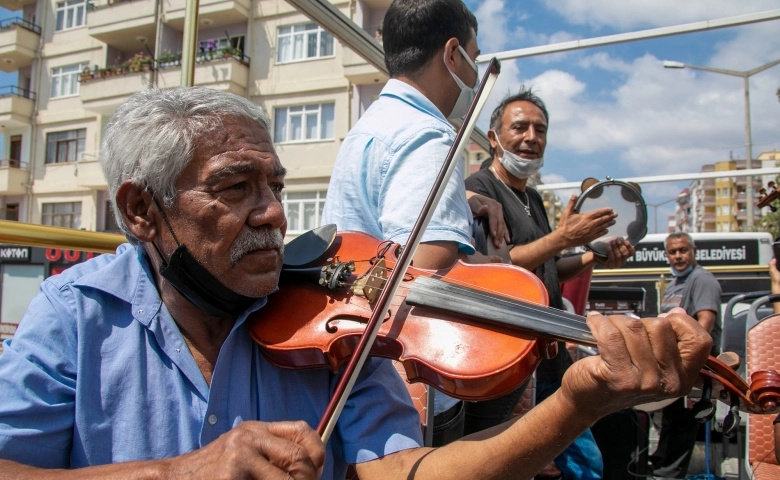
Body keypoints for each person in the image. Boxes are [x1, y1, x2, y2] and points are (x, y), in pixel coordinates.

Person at [0, 86, 713, 479]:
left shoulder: (340, 327)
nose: (275, 213)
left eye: (275, 185)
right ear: (141, 211)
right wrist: (182, 473)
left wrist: (578, 406)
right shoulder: (77, 310)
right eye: (235, 187)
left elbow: (407, 475)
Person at [320, 0, 509, 445]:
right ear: (451, 55)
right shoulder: (428, 132)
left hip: (357, 358)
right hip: (407, 375)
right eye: (474, 59)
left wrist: (461, 200)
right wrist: (503, 269)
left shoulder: (371, 124)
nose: (476, 73)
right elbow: (427, 267)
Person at [464, 88, 635, 479]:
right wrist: (563, 238)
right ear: (493, 137)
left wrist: (594, 255)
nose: (531, 137)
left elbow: (549, 269)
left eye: (540, 129)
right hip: (509, 354)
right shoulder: (480, 190)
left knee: (584, 463)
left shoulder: (535, 199)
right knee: (497, 458)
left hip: (549, 354)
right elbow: (498, 266)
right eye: (519, 127)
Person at [649, 232, 722, 479]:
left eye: (683, 250)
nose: (678, 256)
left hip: (693, 365)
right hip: (674, 364)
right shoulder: (674, 283)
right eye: (673, 252)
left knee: (682, 424)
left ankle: (669, 475)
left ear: (694, 250)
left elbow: (705, 324)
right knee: (670, 421)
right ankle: (662, 468)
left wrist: (685, 360)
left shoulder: (702, 280)